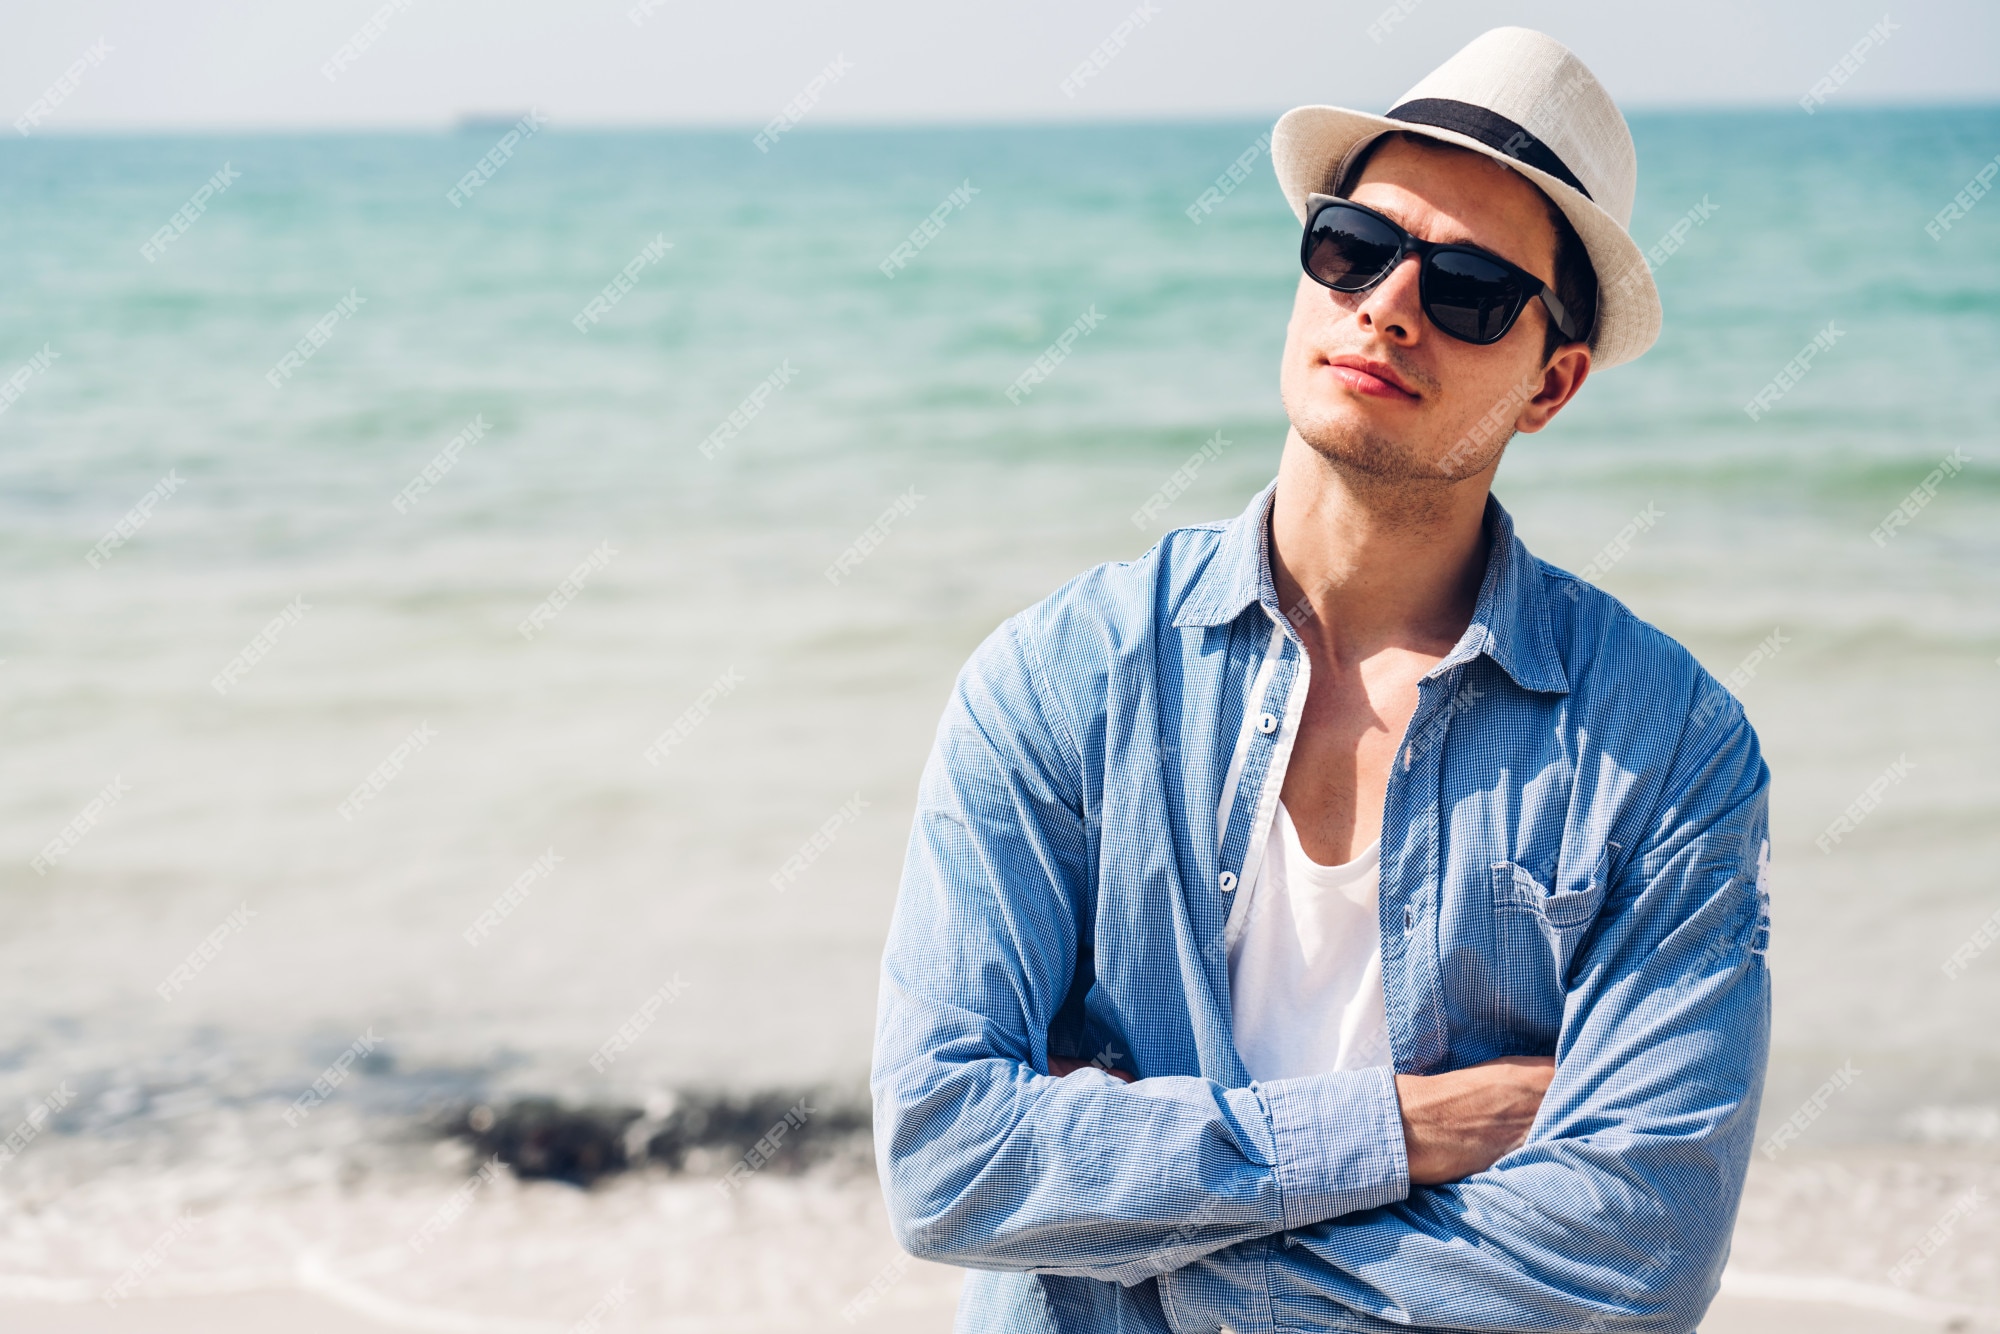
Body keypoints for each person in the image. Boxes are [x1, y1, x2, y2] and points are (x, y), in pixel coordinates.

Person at [871, 27, 1771, 1333]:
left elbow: (1632, 1258)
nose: (1390, 302)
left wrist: (1140, 1251)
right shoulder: (1058, 682)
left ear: (1553, 383)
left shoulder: (1668, 752)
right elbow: (947, 1155)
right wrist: (1403, 1131)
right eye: (1354, 245)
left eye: (1467, 290)